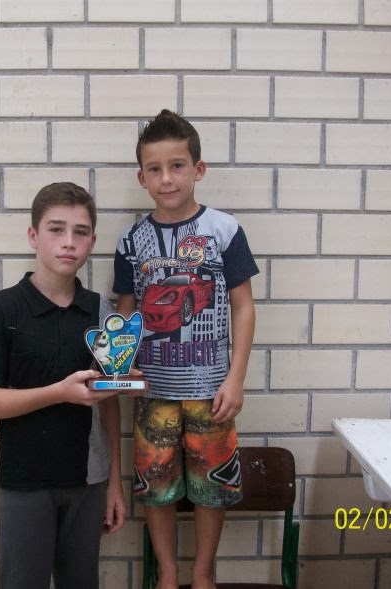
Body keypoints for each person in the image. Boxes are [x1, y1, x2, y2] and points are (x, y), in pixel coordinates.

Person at [113, 110, 259, 589]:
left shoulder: (224, 229)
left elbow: (243, 306)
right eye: (154, 169)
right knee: (155, 486)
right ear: (142, 178)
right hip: (152, 393)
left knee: (211, 487)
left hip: (211, 392)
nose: (167, 178)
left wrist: (236, 378)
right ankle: (168, 575)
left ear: (199, 169)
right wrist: (123, 367)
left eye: (177, 166)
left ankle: (202, 574)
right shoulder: (131, 241)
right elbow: (127, 312)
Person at [0, 182, 125, 589]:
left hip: (88, 481)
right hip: (24, 482)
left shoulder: (100, 311)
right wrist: (59, 393)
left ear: (92, 242)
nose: (69, 242)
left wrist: (114, 483)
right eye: (56, 229)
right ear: (33, 235)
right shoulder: (2, 310)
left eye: (81, 232)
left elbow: (108, 403)